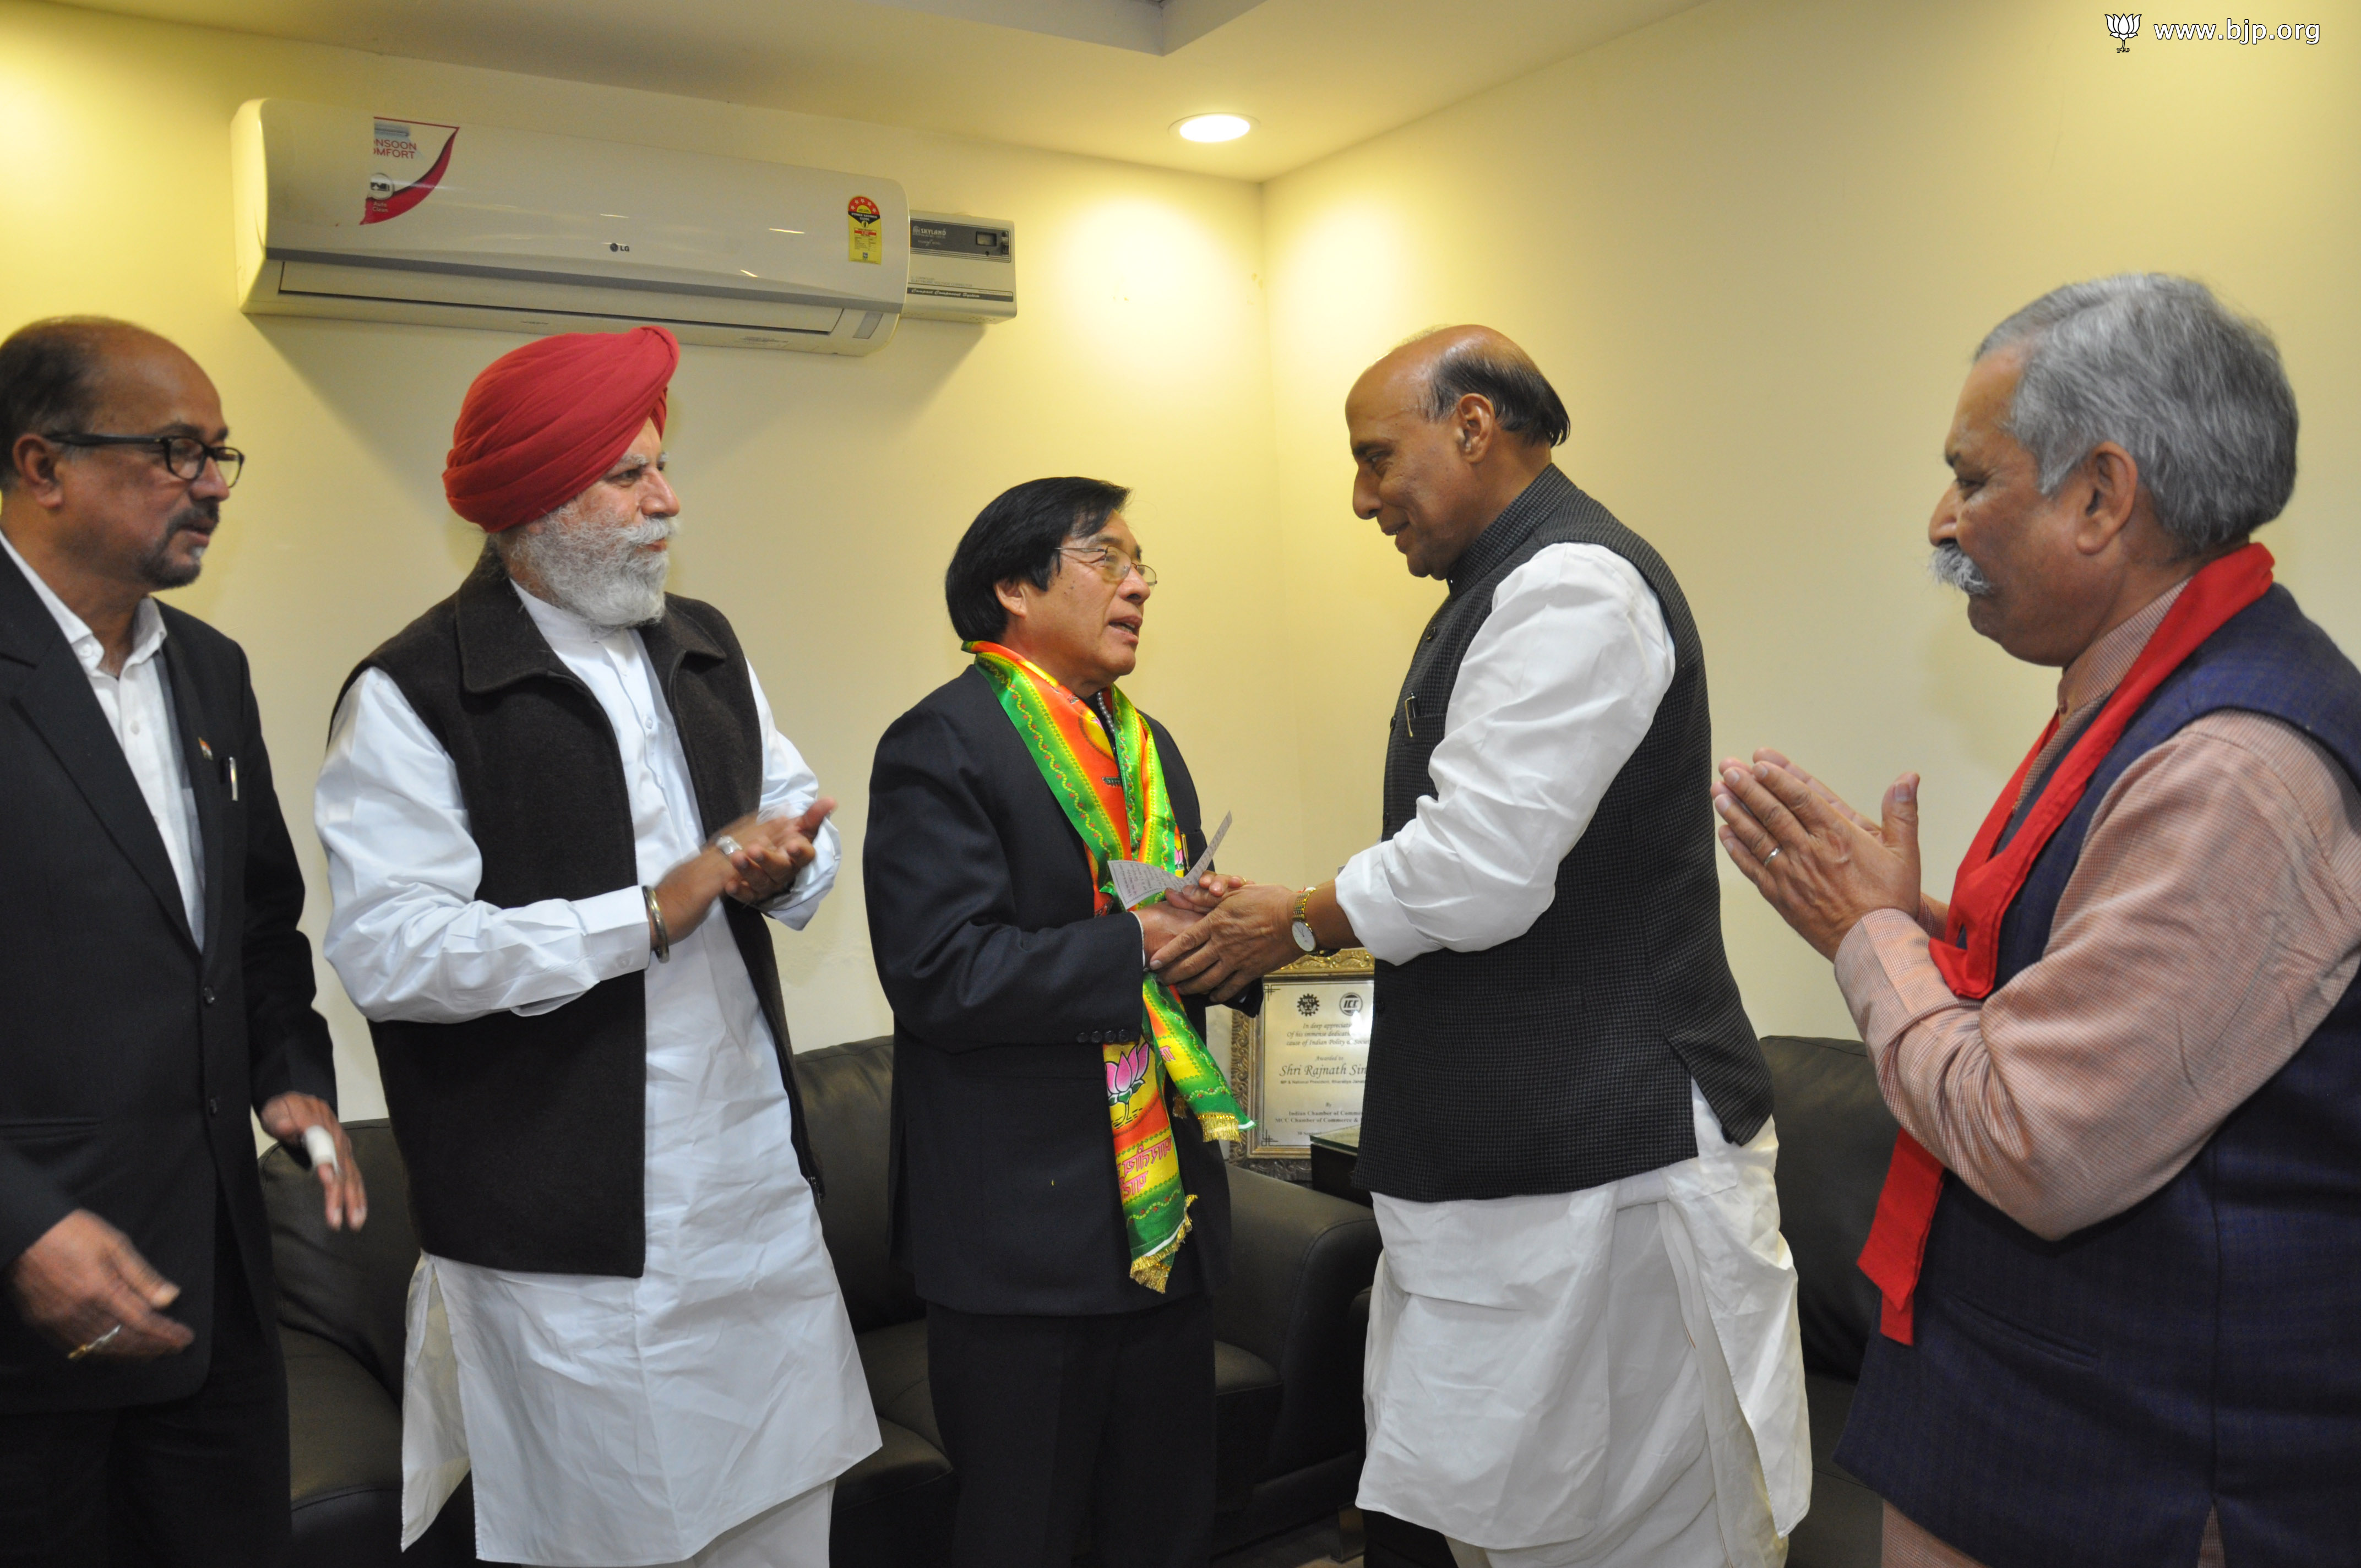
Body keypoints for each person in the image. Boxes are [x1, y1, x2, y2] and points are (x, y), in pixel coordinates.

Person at [1712, 274, 2360, 1567]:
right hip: (2012, 1418)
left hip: (2136, 1471)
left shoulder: (2228, 762)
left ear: (2100, 496)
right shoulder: (2133, 693)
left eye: (1972, 477)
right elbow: (2108, 993)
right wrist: (1915, 923)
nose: (1940, 520)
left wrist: (1867, 939)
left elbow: (2036, 1136)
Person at [1157, 328, 1808, 1568]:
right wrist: (1298, 906)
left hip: (1608, 1168)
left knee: (1640, 1534)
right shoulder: (1502, 588)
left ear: (1471, 426)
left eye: (1374, 457)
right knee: (1525, 1526)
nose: (1360, 499)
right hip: (1527, 1174)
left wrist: (1297, 916)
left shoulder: (1573, 585)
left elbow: (1480, 866)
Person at [314, 325, 877, 1568]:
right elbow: (395, 951)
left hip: (752, 1200)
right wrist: (648, 909)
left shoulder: (704, 640)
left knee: (786, 1522)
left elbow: (792, 811)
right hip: (566, 1242)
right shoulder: (417, 690)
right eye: (628, 476)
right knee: (612, 1538)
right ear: (529, 504)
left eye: (661, 468)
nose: (667, 501)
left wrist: (789, 862)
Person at [0, 317, 362, 1566]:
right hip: (27, 1320)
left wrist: (290, 1072)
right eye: (174, 450)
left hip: (214, 1296)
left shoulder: (209, 670)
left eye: (218, 453)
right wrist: (17, 1225)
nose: (211, 483)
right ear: (42, 465)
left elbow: (256, 921)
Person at [864, 476, 1250, 1568]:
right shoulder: (942, 743)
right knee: (1024, 1535)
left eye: (1143, 569)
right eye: (1108, 560)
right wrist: (1139, 942)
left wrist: (1233, 943)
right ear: (1012, 585)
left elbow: (1169, 927)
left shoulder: (1145, 742)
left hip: (1162, 1224)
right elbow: (941, 973)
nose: (1137, 586)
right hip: (1020, 1244)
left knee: (1165, 1527)